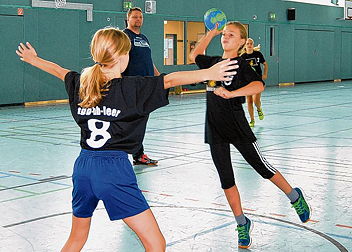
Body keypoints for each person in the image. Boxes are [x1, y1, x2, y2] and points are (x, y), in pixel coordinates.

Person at [16, 27, 238, 252]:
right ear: (123, 56)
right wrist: (208, 74)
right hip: (113, 170)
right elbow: (170, 80)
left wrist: (33, 59)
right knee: (155, 243)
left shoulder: (82, 83)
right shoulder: (132, 89)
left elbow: (59, 70)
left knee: (76, 239)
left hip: (83, 167)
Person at [189, 22, 310, 249]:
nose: (225, 37)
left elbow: (258, 86)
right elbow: (195, 54)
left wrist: (232, 93)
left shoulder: (241, 64)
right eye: (224, 34)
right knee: (226, 180)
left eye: (231, 35)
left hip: (237, 126)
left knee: (262, 168)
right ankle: (242, 222)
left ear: (242, 42)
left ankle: (295, 196)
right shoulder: (213, 62)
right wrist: (211, 33)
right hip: (214, 129)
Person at [123, 7, 160, 165]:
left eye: (140, 17)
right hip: (131, 86)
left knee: (141, 120)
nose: (138, 19)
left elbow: (148, 61)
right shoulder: (124, 36)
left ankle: (138, 154)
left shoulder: (144, 38)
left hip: (147, 86)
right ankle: (132, 153)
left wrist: (159, 78)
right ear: (128, 19)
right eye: (135, 17)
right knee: (130, 120)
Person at [241, 38, 268, 127]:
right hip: (247, 81)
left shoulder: (258, 54)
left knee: (256, 100)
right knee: (249, 101)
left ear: (253, 45)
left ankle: (259, 109)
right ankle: (252, 120)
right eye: (248, 43)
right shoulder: (243, 57)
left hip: (257, 80)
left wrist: (264, 74)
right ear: (245, 45)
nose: (249, 45)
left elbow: (265, 64)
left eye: (251, 43)